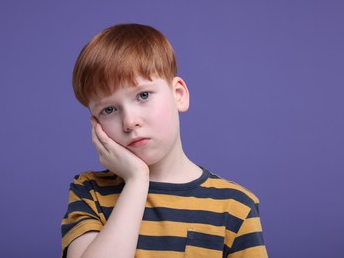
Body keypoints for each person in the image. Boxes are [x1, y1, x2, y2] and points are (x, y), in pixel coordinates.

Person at [61, 23, 267, 258]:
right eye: (109, 110)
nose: (129, 122)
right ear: (95, 123)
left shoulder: (235, 206)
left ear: (178, 95)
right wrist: (137, 180)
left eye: (143, 95)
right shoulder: (90, 192)